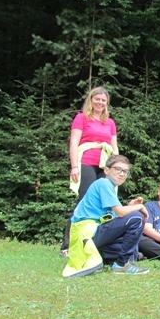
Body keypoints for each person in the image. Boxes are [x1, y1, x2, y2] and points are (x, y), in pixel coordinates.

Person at [63, 155, 149, 277]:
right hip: (87, 233)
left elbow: (114, 217)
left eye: (125, 171)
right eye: (118, 169)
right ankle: (122, 265)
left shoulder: (107, 186)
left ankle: (115, 259)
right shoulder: (104, 183)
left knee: (128, 245)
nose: (122, 174)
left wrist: (129, 206)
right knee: (137, 218)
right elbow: (120, 213)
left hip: (89, 235)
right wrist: (139, 207)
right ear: (106, 170)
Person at [60, 86, 118, 256]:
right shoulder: (81, 118)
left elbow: (114, 147)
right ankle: (67, 245)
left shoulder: (110, 122)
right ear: (91, 100)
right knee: (84, 201)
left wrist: (116, 167)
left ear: (107, 103)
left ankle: (96, 243)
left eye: (103, 100)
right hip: (86, 162)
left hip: (105, 165)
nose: (100, 102)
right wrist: (74, 166)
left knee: (105, 203)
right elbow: (74, 143)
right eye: (97, 99)